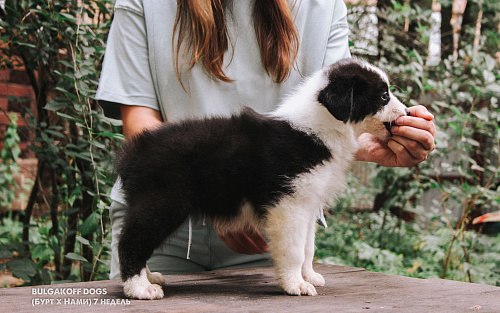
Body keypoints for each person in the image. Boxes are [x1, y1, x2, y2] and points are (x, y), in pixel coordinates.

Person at [96, 0, 436, 279]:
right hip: (165, 228)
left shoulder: (325, 6)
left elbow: (336, 123)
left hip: (272, 225)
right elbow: (140, 124)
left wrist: (379, 147)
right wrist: (223, 195)